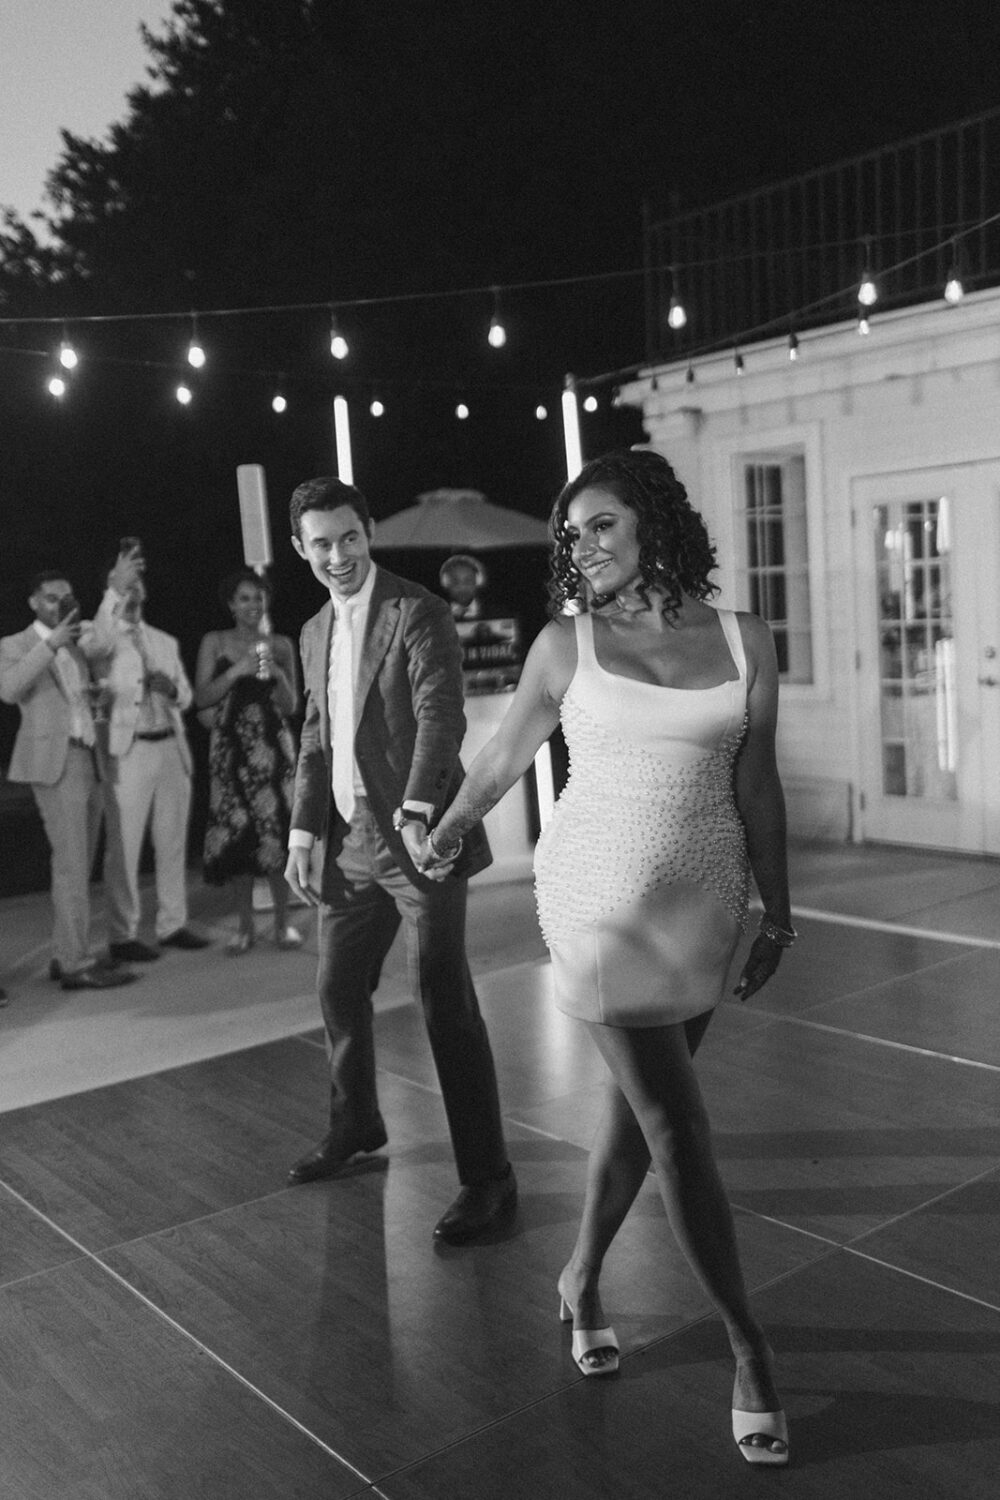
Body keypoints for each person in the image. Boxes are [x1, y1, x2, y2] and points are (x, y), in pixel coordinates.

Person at [421, 449, 794, 1463]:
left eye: (599, 527)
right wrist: (449, 827)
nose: (580, 548)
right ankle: (749, 1351)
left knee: (640, 1117)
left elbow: (756, 786)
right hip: (594, 900)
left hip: (704, 898)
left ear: (654, 524)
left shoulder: (742, 638)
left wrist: (779, 910)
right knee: (677, 1121)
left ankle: (581, 1278)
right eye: (570, 534)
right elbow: (500, 762)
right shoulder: (563, 643)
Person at [282, 475, 515, 1245]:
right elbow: (315, 740)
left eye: (350, 537)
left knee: (443, 1000)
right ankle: (357, 1126)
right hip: (349, 847)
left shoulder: (418, 608)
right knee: (336, 989)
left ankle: (488, 1180)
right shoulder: (313, 631)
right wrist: (303, 836)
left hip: (421, 841)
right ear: (300, 549)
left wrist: (419, 812)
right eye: (322, 543)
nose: (339, 555)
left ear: (369, 530)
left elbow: (440, 716)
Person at [0, 569, 136, 990]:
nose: (61, 604)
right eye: (52, 598)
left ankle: (68, 954)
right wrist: (49, 644)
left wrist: (114, 590)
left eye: (67, 596)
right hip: (55, 765)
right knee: (72, 866)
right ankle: (75, 963)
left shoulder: (78, 641)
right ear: (34, 603)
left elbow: (108, 643)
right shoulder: (17, 644)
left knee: (78, 865)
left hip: (86, 755)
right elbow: (9, 689)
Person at [94, 545, 210, 961]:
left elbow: (187, 695)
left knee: (172, 840)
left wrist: (173, 690)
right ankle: (122, 933)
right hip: (130, 750)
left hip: (170, 745)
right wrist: (113, 591)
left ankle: (172, 922)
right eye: (126, 588)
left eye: (137, 587)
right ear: (115, 592)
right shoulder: (103, 639)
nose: (134, 594)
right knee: (124, 847)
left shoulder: (165, 640)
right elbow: (95, 647)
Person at [194, 568, 302, 953]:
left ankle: (283, 924)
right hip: (230, 748)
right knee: (238, 833)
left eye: (258, 598)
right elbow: (202, 697)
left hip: (273, 748)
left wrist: (278, 675)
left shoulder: (282, 644)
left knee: (275, 832)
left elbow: (292, 707)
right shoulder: (215, 641)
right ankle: (244, 927)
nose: (252, 606)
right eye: (244, 598)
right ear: (230, 604)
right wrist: (237, 671)